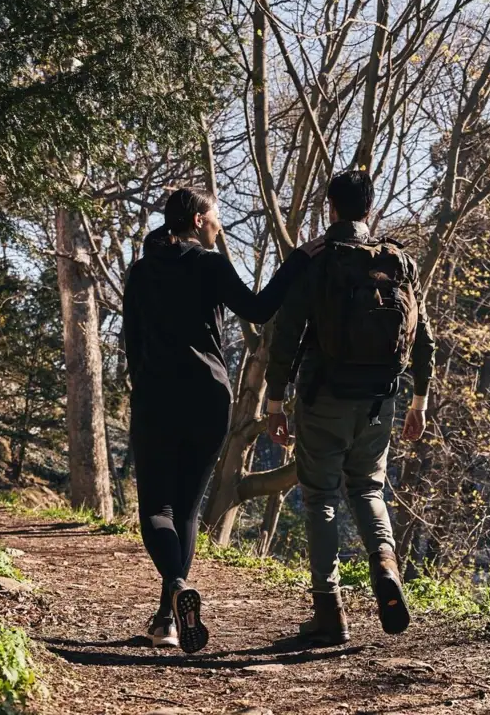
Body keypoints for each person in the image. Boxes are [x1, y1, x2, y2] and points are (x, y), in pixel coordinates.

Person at [122, 187, 322, 652]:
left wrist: (143, 389)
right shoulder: (208, 264)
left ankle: (174, 589)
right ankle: (166, 620)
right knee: (187, 509)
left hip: (156, 394)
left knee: (157, 509)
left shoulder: (139, 272)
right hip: (207, 396)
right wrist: (295, 261)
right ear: (196, 221)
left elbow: (132, 344)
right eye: (216, 219)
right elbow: (258, 308)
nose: (219, 227)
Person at [265, 169, 435, 646]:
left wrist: (275, 402)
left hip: (325, 396)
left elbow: (286, 335)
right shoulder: (398, 262)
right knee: (367, 489)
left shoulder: (318, 261)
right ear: (368, 208)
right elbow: (422, 338)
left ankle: (329, 612)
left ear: (331, 208)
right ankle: (385, 565)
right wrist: (418, 400)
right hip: (381, 398)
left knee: (320, 496)